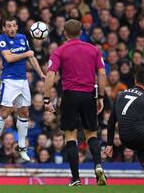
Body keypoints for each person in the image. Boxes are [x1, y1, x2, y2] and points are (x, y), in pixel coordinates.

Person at [44, 19, 107, 186]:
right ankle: (98, 166)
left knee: (70, 136)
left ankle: (76, 178)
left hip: (70, 96)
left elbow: (50, 75)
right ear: (81, 32)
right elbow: (101, 73)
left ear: (65, 33)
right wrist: (100, 96)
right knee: (91, 134)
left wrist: (46, 99)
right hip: (88, 96)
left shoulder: (59, 51)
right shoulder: (93, 50)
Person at [0, 16, 45, 162]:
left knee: (24, 111)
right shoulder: (2, 39)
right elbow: (9, 58)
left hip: (23, 81)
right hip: (9, 80)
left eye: (14, 25)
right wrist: (26, 54)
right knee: (5, 111)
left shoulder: (22, 38)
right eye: (9, 26)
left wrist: (41, 74)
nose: (12, 29)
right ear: (4, 28)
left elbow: (32, 58)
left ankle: (21, 146)